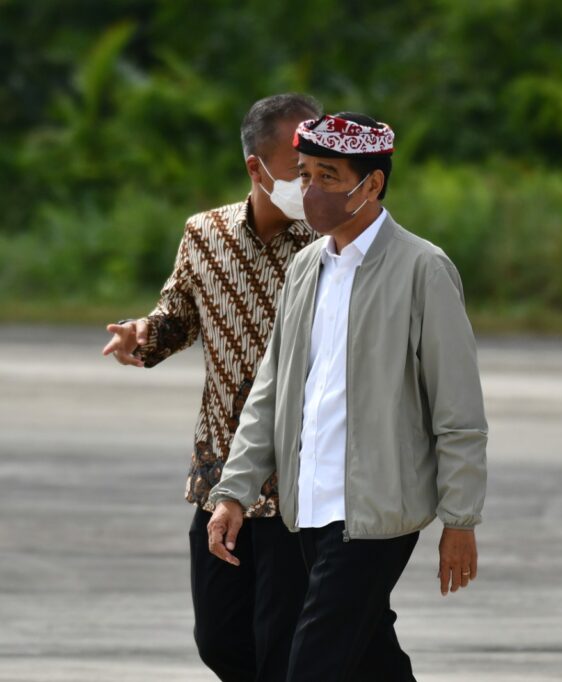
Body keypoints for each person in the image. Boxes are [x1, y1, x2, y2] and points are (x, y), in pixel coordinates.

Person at [205, 112, 488, 681]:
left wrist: (460, 519)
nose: (310, 192)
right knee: (370, 658)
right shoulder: (307, 268)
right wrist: (233, 491)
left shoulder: (423, 269)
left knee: (312, 664)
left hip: (378, 512)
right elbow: (271, 392)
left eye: (328, 177)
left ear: (373, 185)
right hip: (308, 505)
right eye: (305, 175)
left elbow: (458, 407)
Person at [101, 93, 321, 680]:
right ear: (257, 167)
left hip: (305, 476)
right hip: (222, 471)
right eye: (299, 168)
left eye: (319, 167)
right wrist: (139, 335)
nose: (310, 182)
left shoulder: (331, 247)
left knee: (283, 644)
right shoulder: (206, 235)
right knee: (220, 640)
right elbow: (177, 316)